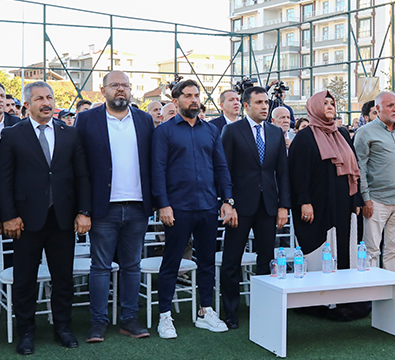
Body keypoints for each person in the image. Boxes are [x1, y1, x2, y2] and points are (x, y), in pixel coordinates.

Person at [0, 81, 91, 355]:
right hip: (25, 222)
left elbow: (82, 177)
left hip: (63, 219)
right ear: (27, 104)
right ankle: (26, 331)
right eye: (39, 98)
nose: (46, 102)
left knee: (63, 278)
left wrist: (84, 211)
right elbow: (4, 180)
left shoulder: (69, 133)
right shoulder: (12, 135)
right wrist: (9, 216)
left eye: (49, 97)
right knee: (24, 279)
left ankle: (63, 327)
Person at [151, 79, 238, 339]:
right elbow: (157, 170)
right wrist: (163, 204)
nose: (193, 100)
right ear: (176, 101)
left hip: (208, 206)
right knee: (172, 262)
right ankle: (165, 315)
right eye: (188, 96)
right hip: (177, 208)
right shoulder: (164, 131)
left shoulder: (210, 131)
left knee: (207, 262)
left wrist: (227, 200)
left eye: (196, 95)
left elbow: (221, 167)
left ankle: (206, 310)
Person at [75, 71, 155, 342]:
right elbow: (80, 167)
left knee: (132, 265)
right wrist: (83, 209)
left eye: (125, 86)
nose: (121, 90)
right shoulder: (86, 119)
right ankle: (98, 322)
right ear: (103, 90)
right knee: (100, 267)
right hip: (103, 208)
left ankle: (129, 319)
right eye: (115, 86)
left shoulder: (144, 119)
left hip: (136, 206)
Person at [219, 86, 290, 329]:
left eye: (266, 102)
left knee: (266, 259)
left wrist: (284, 206)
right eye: (258, 102)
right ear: (246, 106)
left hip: (268, 206)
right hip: (240, 206)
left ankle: (264, 306)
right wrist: (228, 203)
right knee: (231, 261)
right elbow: (223, 170)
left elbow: (282, 173)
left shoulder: (275, 132)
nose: (264, 106)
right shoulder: (231, 131)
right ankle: (230, 311)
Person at [288, 90, 362, 270]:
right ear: (314, 108)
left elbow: (353, 169)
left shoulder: (342, 134)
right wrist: (304, 201)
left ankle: (344, 293)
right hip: (318, 204)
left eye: (332, 103)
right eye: (325, 103)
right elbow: (298, 174)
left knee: (344, 245)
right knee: (323, 250)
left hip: (344, 202)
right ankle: (322, 294)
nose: (330, 107)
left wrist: (356, 198)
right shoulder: (305, 138)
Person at [354, 92, 395, 272]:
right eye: (390, 105)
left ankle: (389, 293)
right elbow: (360, 169)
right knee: (371, 250)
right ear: (378, 109)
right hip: (376, 200)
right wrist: (365, 198)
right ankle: (369, 294)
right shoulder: (365, 132)